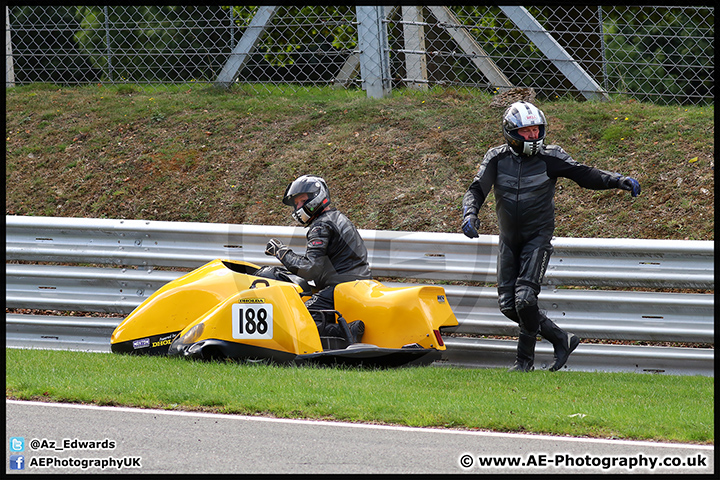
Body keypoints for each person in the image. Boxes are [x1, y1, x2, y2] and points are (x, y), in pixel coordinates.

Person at [460, 101, 641, 372]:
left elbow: (585, 174)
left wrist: (617, 180)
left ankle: (523, 364)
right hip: (508, 240)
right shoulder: (496, 158)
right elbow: (476, 189)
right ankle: (561, 339)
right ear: (510, 132)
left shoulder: (551, 156)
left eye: (536, 130)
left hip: (537, 238)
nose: (533, 136)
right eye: (526, 131)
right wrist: (469, 214)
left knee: (525, 300)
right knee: (509, 306)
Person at [265, 174, 371, 344]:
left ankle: (345, 330)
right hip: (355, 282)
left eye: (301, 201)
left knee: (295, 316)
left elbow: (310, 268)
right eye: (296, 203)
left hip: (340, 286)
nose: (298, 207)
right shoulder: (337, 218)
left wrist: (281, 252)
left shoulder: (321, 225)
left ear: (316, 197)